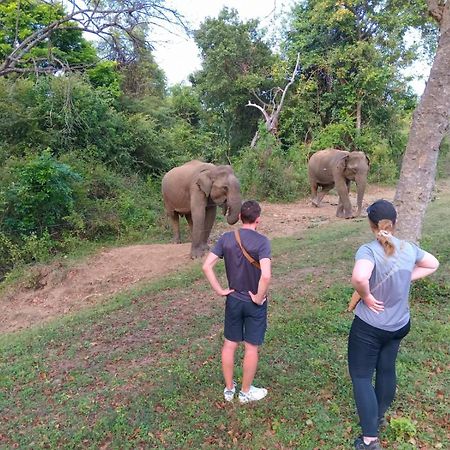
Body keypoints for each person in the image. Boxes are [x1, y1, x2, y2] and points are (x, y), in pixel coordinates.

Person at [348, 199, 439, 450]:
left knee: (361, 376)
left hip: (370, 327)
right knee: (386, 369)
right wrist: (407, 276)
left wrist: (365, 296)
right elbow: (433, 264)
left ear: (371, 225)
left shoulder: (368, 250)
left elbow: (359, 276)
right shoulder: (409, 249)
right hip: (399, 325)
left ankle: (369, 439)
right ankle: (377, 416)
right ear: (394, 223)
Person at [202, 200, 271, 404]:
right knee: (251, 347)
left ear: (240, 217)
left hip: (233, 299)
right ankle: (245, 392)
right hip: (254, 302)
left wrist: (220, 290)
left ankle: (229, 389)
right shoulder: (262, 242)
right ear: (258, 220)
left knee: (229, 345)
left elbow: (207, 266)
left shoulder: (226, 238)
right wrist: (258, 297)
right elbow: (265, 276)